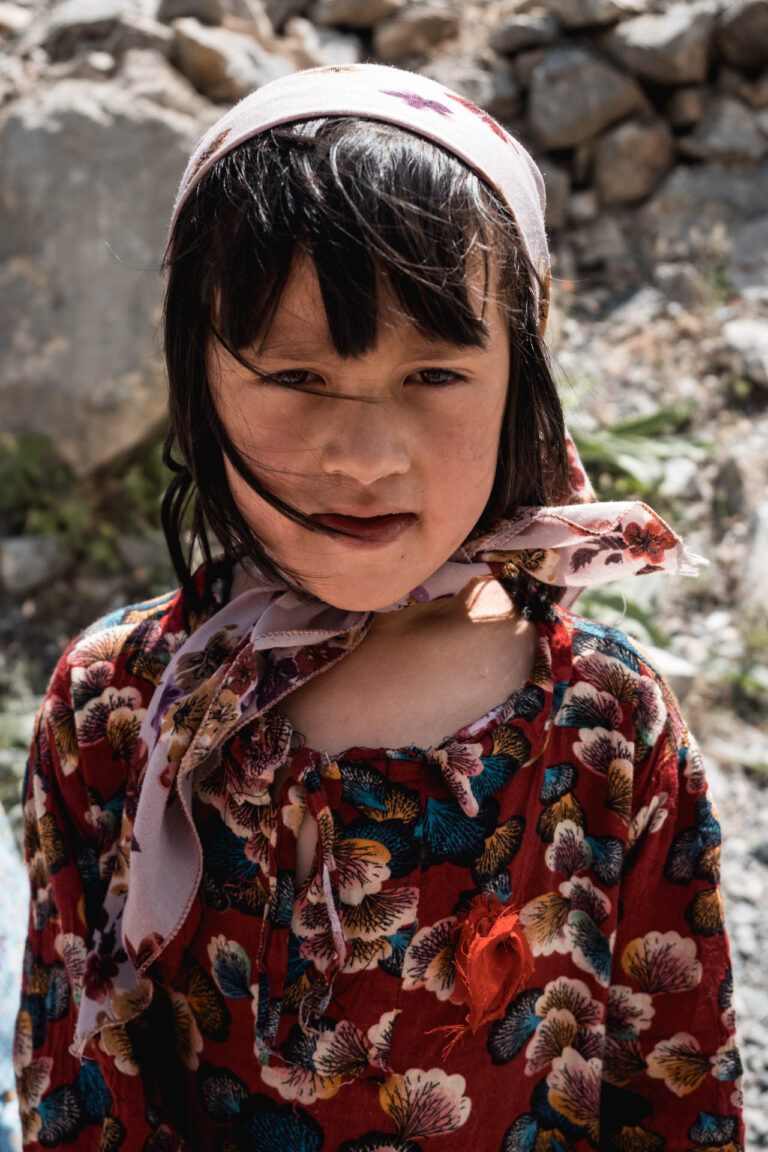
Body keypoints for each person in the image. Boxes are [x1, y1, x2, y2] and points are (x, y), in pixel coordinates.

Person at [14, 64, 744, 1151]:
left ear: (522, 381)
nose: (362, 455)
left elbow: (677, 1092)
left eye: (435, 374)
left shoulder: (605, 722)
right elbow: (83, 1081)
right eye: (295, 377)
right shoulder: (117, 709)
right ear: (194, 375)